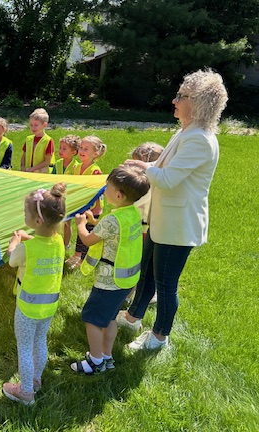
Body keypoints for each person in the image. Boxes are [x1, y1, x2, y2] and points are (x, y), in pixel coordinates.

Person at [117, 69, 228, 350]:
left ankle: (159, 337)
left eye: (181, 96)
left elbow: (167, 179)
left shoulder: (199, 139)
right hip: (163, 219)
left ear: (199, 103)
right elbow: (163, 168)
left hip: (178, 225)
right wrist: (145, 166)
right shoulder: (186, 131)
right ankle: (132, 317)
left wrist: (142, 168)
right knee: (146, 273)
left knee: (165, 284)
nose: (174, 100)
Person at [70, 165, 150, 374]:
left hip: (108, 282)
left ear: (119, 195)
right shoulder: (132, 213)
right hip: (126, 280)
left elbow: (88, 240)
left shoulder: (112, 220)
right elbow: (110, 231)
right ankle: (107, 355)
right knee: (110, 318)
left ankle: (95, 362)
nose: (104, 191)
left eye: (107, 188)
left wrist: (81, 224)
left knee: (92, 319)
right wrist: (94, 221)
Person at [2, 183, 67, 405]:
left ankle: (26, 392)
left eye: (26, 212)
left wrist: (15, 242)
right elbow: (42, 244)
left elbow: (12, 260)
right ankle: (36, 380)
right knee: (40, 341)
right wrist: (27, 237)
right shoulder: (59, 242)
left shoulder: (26, 250)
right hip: (48, 306)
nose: (24, 215)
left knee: (24, 348)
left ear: (37, 221)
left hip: (27, 308)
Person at [124, 142, 164, 305]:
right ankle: (133, 291)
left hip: (145, 230)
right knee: (136, 261)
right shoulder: (143, 185)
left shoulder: (151, 187)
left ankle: (135, 293)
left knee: (142, 263)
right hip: (138, 227)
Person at [65, 135, 107, 270]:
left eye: (86, 149)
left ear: (95, 153)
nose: (82, 151)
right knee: (80, 230)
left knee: (86, 234)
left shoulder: (95, 171)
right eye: (81, 148)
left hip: (92, 208)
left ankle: (83, 260)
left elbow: (97, 191)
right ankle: (76, 255)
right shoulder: (76, 167)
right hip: (81, 205)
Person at [54, 134, 81, 250]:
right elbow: (51, 177)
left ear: (73, 152)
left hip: (69, 199)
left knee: (67, 223)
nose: (60, 150)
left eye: (64, 149)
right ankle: (55, 242)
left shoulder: (76, 166)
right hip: (57, 197)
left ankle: (66, 244)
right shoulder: (57, 163)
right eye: (60, 147)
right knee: (55, 221)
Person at [21, 108, 54, 173]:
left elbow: (47, 161)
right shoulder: (28, 139)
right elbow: (23, 156)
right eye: (31, 125)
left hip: (42, 174)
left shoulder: (48, 141)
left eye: (36, 125)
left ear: (44, 125)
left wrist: (32, 169)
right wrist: (22, 167)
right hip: (28, 172)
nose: (33, 127)